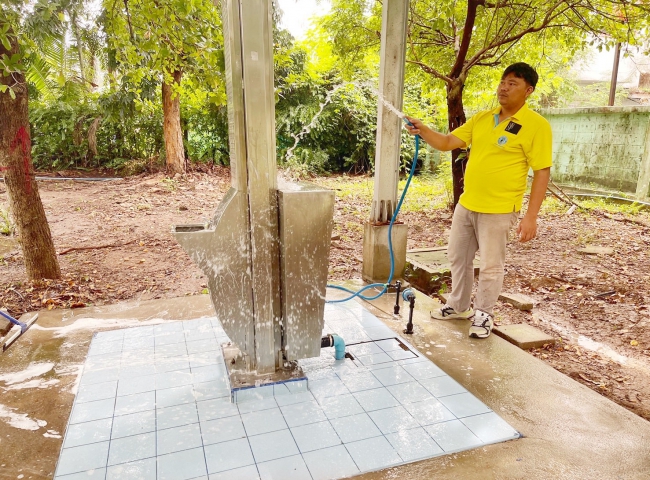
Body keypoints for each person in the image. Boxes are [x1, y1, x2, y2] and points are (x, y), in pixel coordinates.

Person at [404, 62, 552, 339]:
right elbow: (447, 142)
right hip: (467, 204)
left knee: (491, 266)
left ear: (528, 90)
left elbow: (542, 171)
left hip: (499, 209)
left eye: (513, 83)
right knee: (457, 257)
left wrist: (531, 216)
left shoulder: (536, 126)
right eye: (503, 82)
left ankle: (484, 315)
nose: (504, 88)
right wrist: (423, 129)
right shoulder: (483, 118)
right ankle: (459, 306)